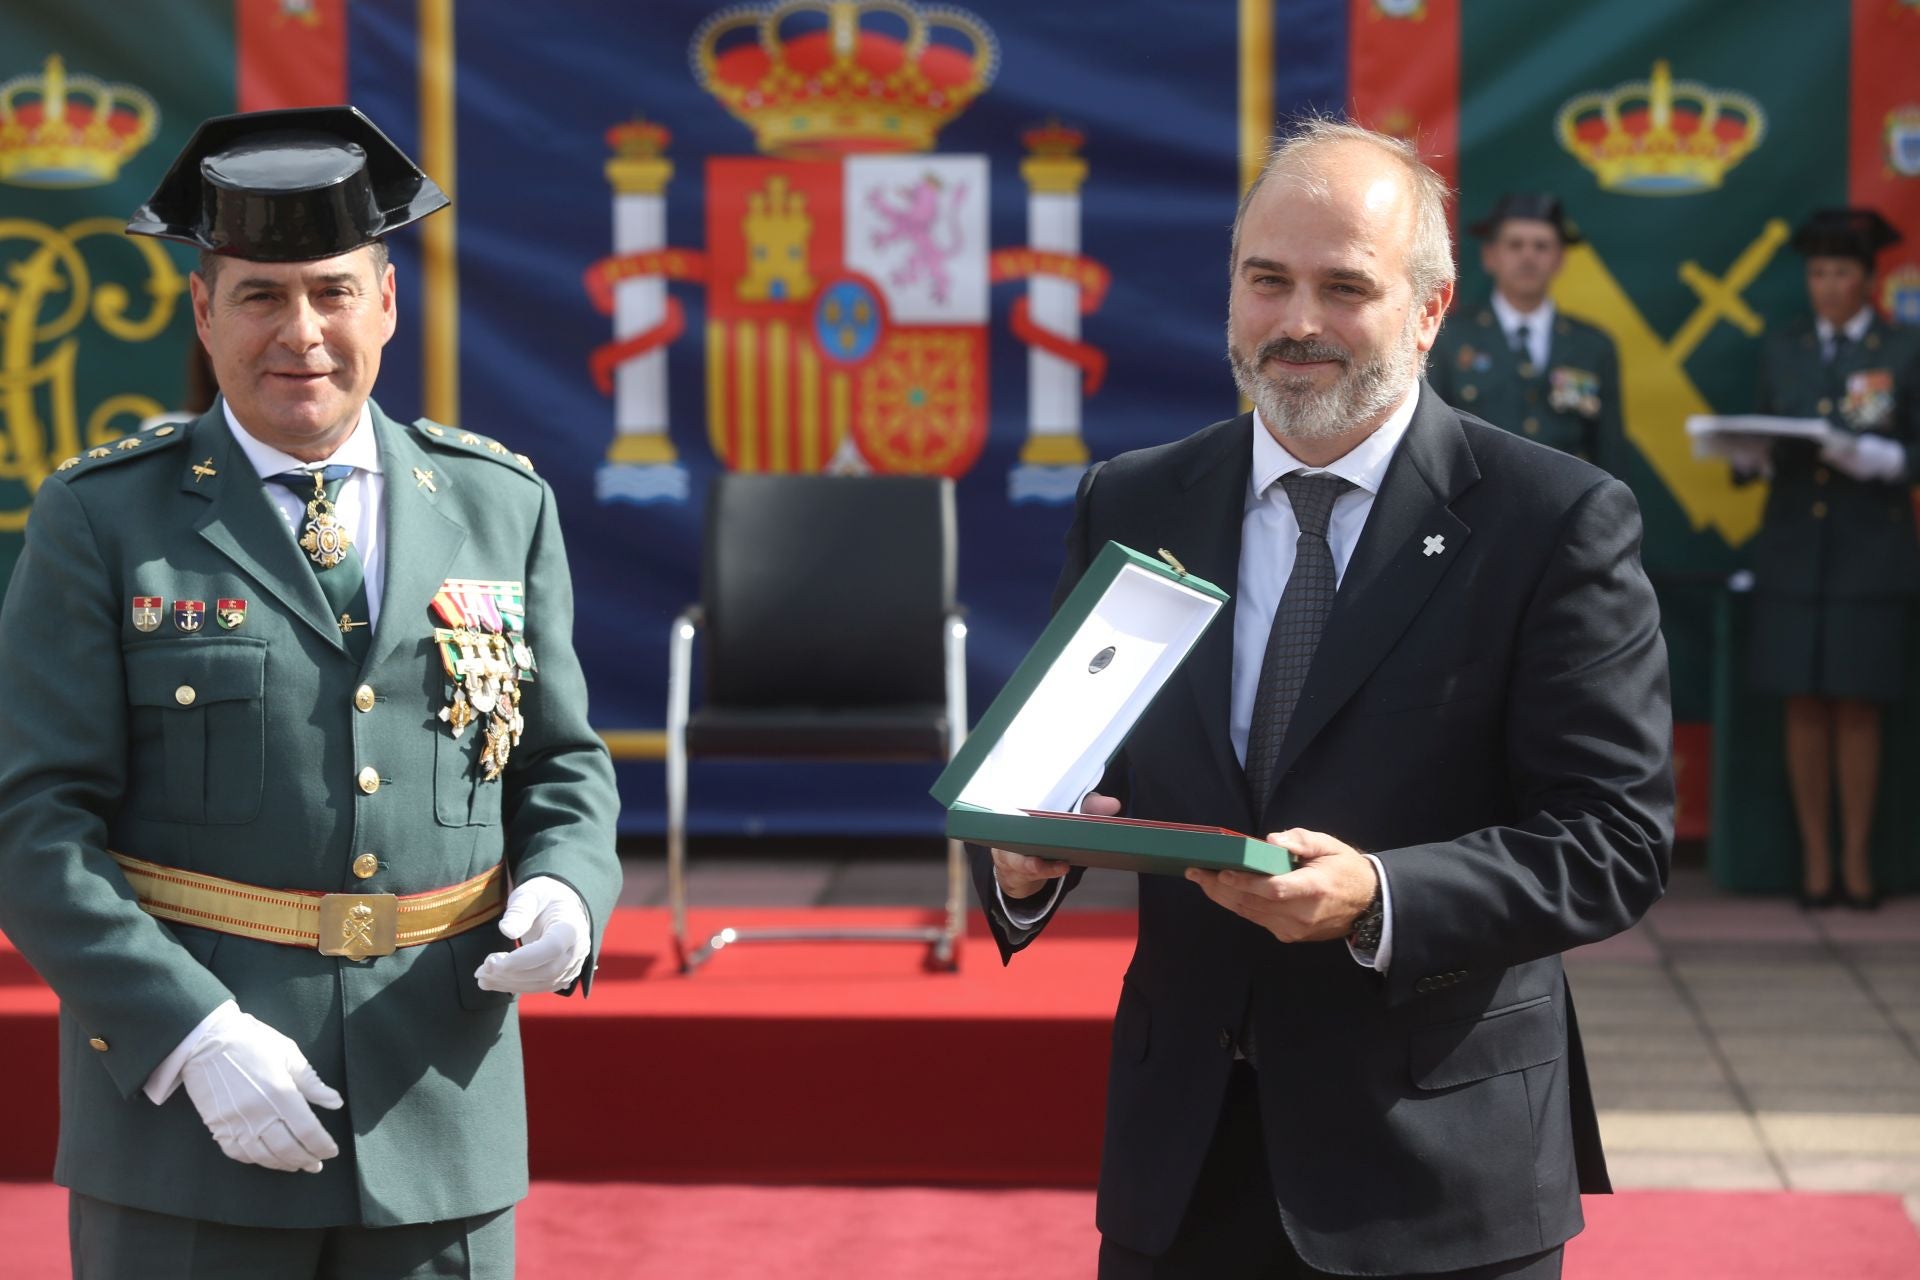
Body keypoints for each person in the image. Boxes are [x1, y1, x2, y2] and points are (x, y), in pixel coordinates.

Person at [975, 120, 1672, 1279]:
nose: (1297, 323)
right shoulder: (1134, 502)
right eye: (1267, 281)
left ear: (1430, 310)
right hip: (1182, 1161)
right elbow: (1064, 767)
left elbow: (1614, 840)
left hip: (1436, 1169)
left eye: (1345, 286)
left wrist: (1381, 895)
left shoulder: (1553, 520)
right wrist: (1019, 857)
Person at [0, 107, 622, 1278]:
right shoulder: (103, 520)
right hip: (190, 1134)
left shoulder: (501, 505)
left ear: (388, 302)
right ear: (202, 310)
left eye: (333, 291)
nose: (303, 333)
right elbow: (32, 824)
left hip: (439, 1112)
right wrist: (187, 1032)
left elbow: (562, 766)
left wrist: (569, 892)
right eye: (260, 295)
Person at [1738, 208, 1920, 910]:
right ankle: (1815, 862)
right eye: (1817, 272)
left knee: (1857, 706)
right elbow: (1762, 430)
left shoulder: (1901, 347)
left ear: (1869, 280)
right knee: (1803, 704)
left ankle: (1858, 862)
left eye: (1842, 271)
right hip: (1791, 548)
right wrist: (1746, 455)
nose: (1828, 285)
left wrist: (1884, 458)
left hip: (1868, 551)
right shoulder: (1782, 348)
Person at [1427, 193, 1627, 479]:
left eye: (1541, 246)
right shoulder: (1449, 338)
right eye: (1515, 244)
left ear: (1559, 259)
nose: (1528, 256)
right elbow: (1432, 442)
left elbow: (1610, 454)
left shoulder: (1592, 347)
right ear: (1490, 256)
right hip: (1475, 511)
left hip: (1565, 511)